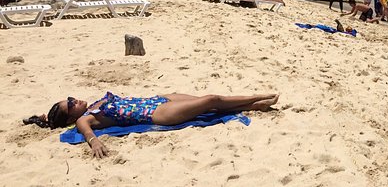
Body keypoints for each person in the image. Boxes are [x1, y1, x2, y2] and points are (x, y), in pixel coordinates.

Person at [24, 91, 280, 158]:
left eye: (70, 98)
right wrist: (93, 142)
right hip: (158, 114)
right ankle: (258, 97)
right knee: (211, 101)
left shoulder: (91, 106)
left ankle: (253, 106)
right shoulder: (83, 118)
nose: (74, 99)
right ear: (71, 117)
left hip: (156, 100)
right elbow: (86, 130)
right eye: (70, 103)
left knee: (209, 103)